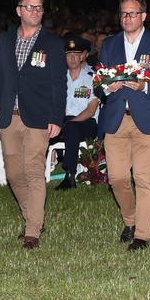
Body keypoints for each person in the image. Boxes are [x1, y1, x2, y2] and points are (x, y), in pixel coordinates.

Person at [0, 0, 67, 250]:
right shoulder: (5, 41)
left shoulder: (52, 44)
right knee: (13, 173)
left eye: (39, 8)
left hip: (39, 116)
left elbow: (58, 84)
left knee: (33, 170)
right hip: (9, 115)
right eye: (29, 7)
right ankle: (34, 217)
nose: (35, 12)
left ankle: (32, 231)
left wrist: (56, 117)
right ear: (18, 10)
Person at [98, 0, 150, 251]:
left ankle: (141, 235)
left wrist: (146, 86)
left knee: (144, 178)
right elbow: (99, 81)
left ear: (143, 16)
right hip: (116, 119)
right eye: (123, 13)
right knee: (118, 178)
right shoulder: (109, 45)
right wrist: (107, 88)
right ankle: (130, 219)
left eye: (133, 13)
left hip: (147, 119)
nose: (127, 18)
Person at [54, 36, 100, 191]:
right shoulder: (58, 77)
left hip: (86, 122)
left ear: (82, 56)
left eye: (76, 54)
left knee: (72, 128)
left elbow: (91, 110)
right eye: (68, 54)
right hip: (63, 120)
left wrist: (68, 124)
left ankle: (70, 174)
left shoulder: (92, 78)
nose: (72, 58)